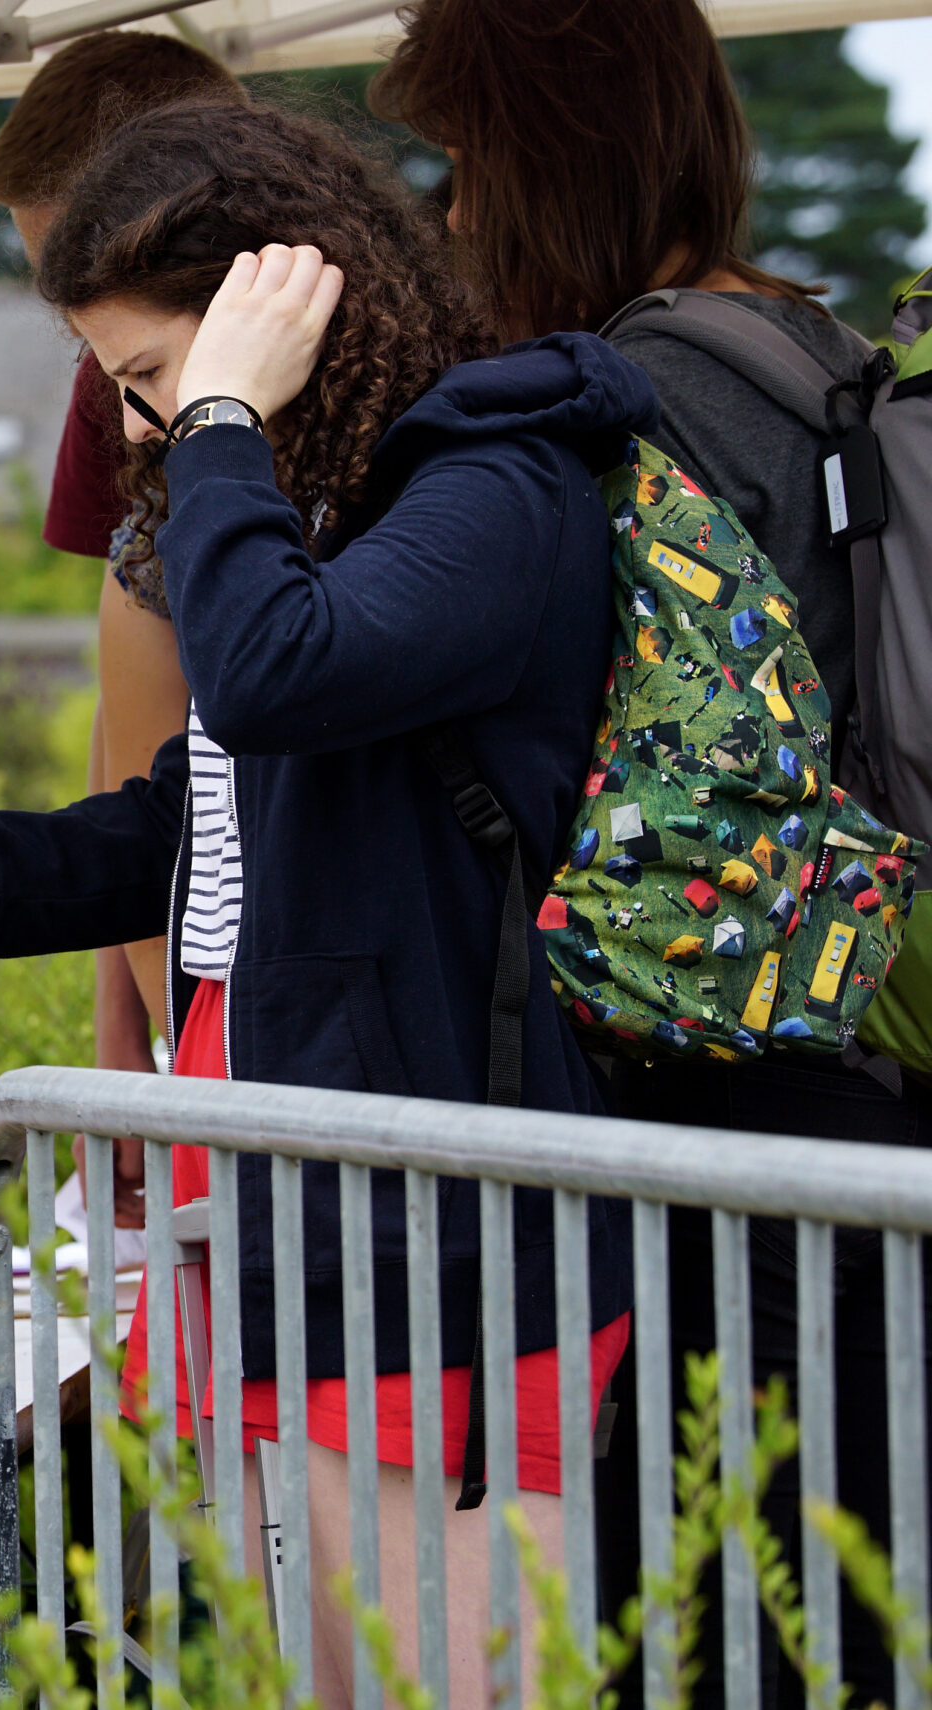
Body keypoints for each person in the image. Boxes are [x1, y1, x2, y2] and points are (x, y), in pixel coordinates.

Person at [0, 99, 651, 1709]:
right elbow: (193, 816)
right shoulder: (331, 518)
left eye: (150, 378)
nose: (148, 431)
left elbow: (271, 678)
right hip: (315, 1230)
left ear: (286, 307)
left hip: (442, 1252)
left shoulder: (490, 490)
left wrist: (226, 409)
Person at [373, 5, 932, 1700]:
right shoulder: (818, 350)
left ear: (552, 154)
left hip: (716, 1083)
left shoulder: (628, 404)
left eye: (467, 170)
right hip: (866, 1036)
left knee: (710, 1623)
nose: (453, 218)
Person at [0, 28, 245, 1222]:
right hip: (187, 967)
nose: (83, 345)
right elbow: (127, 707)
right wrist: (116, 1020)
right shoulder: (117, 381)